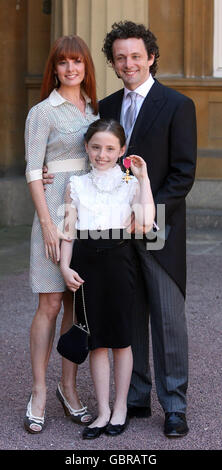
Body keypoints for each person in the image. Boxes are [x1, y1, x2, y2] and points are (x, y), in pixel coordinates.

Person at [98, 21, 197, 437]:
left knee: (168, 319)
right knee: (129, 311)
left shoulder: (177, 104)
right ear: (114, 63)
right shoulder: (104, 106)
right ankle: (135, 394)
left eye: (136, 55)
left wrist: (148, 210)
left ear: (151, 57)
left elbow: (183, 173)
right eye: (120, 57)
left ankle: (174, 405)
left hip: (158, 228)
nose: (129, 63)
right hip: (115, 231)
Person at [60, 118, 155, 439]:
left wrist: (143, 178)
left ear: (122, 151)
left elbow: (146, 222)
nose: (102, 154)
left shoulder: (129, 183)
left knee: (121, 339)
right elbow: (68, 231)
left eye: (110, 148)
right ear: (87, 148)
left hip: (120, 263)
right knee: (97, 340)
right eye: (96, 147)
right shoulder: (75, 184)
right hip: (87, 265)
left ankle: (120, 407)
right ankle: (102, 411)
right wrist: (64, 266)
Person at [24, 34, 99, 433]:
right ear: (54, 68)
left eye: (77, 62)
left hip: (86, 218)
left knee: (76, 305)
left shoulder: (94, 111)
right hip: (53, 216)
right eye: (63, 62)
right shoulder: (42, 112)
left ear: (86, 68)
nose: (71, 69)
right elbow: (34, 171)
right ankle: (38, 391)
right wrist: (49, 226)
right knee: (50, 304)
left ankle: (68, 388)